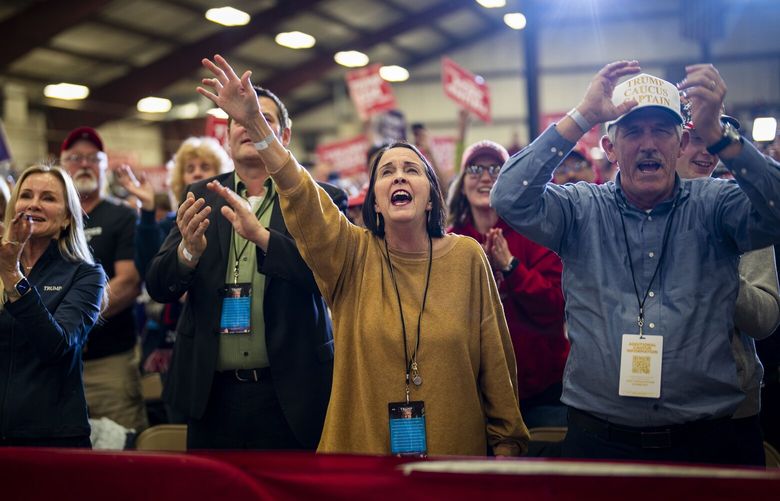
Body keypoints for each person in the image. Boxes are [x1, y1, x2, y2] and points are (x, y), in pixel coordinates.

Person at [198, 54, 529, 456]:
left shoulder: (466, 257)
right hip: (363, 463)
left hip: (454, 460)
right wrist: (257, 128)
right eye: (387, 172)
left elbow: (497, 362)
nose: (400, 176)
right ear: (373, 201)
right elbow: (303, 195)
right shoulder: (351, 254)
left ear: (431, 198)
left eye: (412, 169)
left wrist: (507, 444)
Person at [491, 60, 780, 465]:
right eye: (632, 131)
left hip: (708, 443)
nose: (648, 143)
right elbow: (508, 197)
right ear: (610, 148)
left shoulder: (716, 205)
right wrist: (584, 116)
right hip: (599, 443)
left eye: (662, 130)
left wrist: (719, 135)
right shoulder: (580, 209)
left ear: (680, 145)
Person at [145, 83, 344, 451]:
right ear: (226, 137)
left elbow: (330, 274)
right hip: (212, 394)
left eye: (260, 118)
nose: (247, 125)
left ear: (282, 135)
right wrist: (188, 253)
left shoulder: (322, 198)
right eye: (238, 119)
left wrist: (264, 238)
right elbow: (159, 285)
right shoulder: (200, 195)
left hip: (293, 393)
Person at [676, 113, 780, 465]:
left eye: (713, 140)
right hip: (647, 413)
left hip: (733, 412)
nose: (706, 152)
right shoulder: (633, 210)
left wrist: (718, 270)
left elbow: (764, 319)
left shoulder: (740, 211)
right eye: (694, 138)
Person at [447, 140, 568, 428]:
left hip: (540, 392)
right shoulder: (449, 242)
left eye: (496, 169)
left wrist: (511, 267)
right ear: (462, 184)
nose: (486, 177)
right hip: (475, 394)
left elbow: (555, 306)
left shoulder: (535, 232)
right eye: (475, 169)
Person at [0, 165, 106, 447]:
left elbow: (56, 346)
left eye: (48, 198)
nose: (34, 204)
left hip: (52, 437)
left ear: (67, 219)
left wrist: (13, 277)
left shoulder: (86, 275)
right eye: (26, 195)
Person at [116, 136, 233, 377]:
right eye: (190, 168)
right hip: (176, 336)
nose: (197, 174)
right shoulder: (171, 224)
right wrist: (147, 212)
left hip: (221, 329)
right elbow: (151, 269)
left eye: (205, 167)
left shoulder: (232, 221)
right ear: (180, 177)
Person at [60, 127, 146, 432]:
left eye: (92, 158)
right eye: (75, 158)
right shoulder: (54, 217)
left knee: (124, 457)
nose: (84, 164)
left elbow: (128, 282)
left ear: (104, 165)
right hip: (56, 368)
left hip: (109, 364)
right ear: (62, 165)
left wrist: (68, 322)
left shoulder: (122, 216)